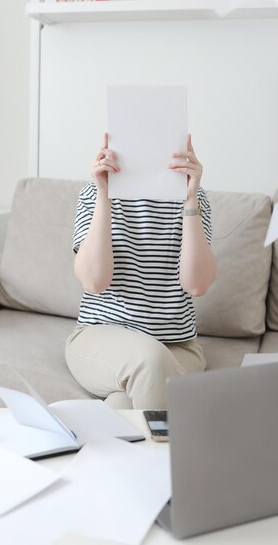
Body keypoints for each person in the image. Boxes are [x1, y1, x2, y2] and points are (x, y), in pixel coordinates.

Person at [65, 132, 216, 409]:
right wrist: (103, 196)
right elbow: (93, 281)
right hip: (99, 337)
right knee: (150, 361)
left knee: (122, 403)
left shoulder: (196, 199)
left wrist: (190, 200)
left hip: (178, 347)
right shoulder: (92, 195)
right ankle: (173, 452)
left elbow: (197, 285)